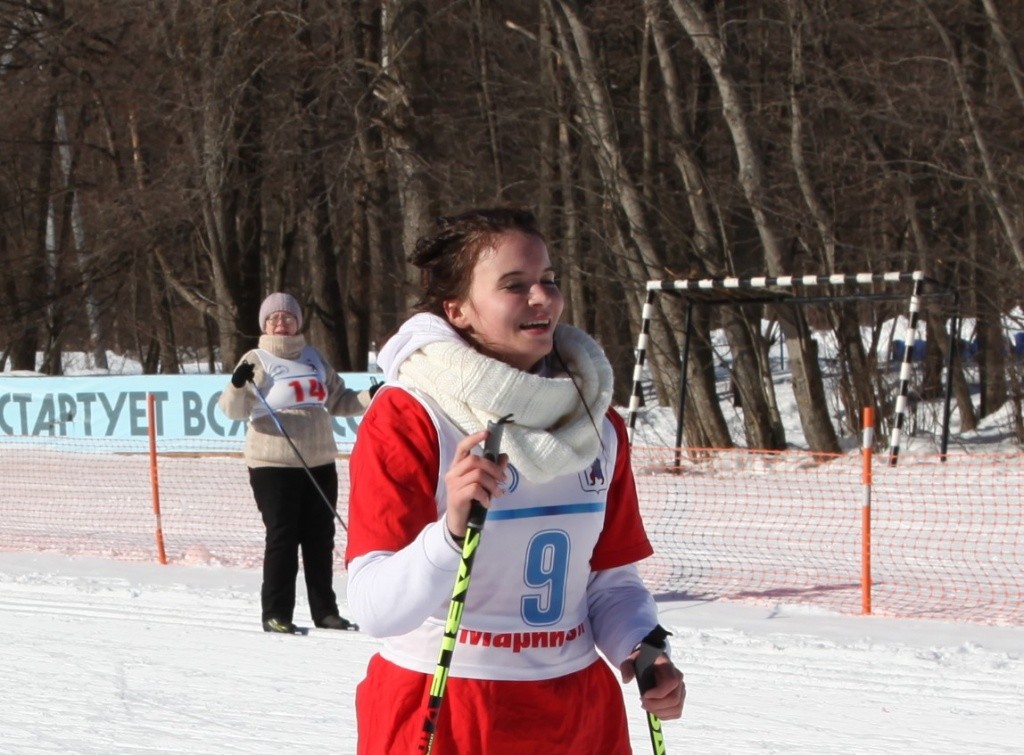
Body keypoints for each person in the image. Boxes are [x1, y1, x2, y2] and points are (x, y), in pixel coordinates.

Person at [345, 208, 685, 752]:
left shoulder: (596, 419)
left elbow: (611, 582)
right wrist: (449, 531)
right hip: (449, 706)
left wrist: (642, 648)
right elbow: (374, 608)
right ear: (457, 310)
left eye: (549, 280)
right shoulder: (411, 414)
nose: (542, 298)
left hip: (575, 710)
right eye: (514, 285)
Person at [219, 292, 372, 634]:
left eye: (288, 317)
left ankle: (326, 612)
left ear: (298, 322)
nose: (281, 323)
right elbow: (233, 411)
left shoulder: (313, 357)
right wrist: (236, 385)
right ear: (265, 324)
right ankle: (276, 613)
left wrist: (368, 397)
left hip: (318, 459)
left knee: (321, 537)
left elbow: (338, 400)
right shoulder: (255, 358)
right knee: (283, 537)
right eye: (274, 318)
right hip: (273, 462)